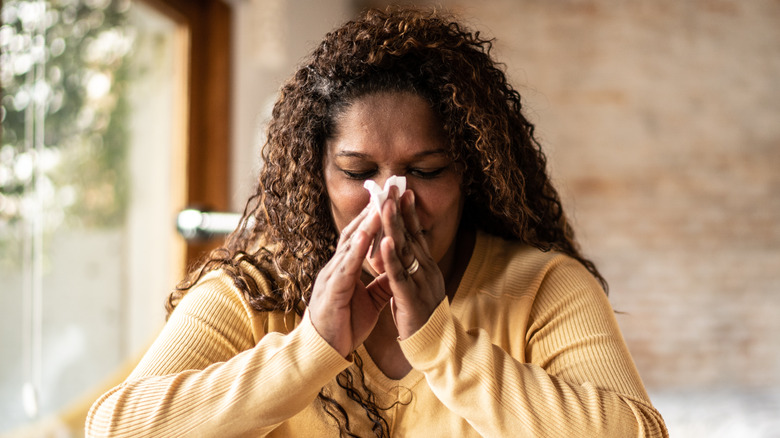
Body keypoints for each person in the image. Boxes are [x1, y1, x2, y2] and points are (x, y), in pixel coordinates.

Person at [86, 7, 667, 437]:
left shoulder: (542, 287)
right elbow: (115, 430)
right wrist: (312, 347)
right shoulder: (257, 291)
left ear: (473, 174)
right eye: (358, 171)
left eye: (428, 170)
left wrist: (440, 340)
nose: (391, 203)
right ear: (318, 178)